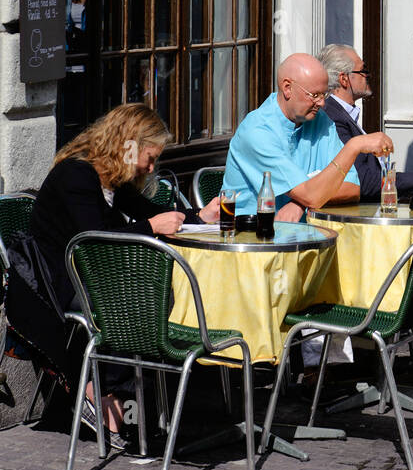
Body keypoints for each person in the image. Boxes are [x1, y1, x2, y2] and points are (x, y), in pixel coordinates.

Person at [5, 104, 214, 443]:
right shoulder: (77, 174)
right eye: (149, 158)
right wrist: (151, 227)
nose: (151, 168)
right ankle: (102, 393)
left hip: (88, 277)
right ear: (128, 144)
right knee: (135, 302)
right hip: (52, 285)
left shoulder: (112, 178)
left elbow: (149, 211)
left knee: (159, 293)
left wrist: (200, 217)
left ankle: (140, 399)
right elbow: (94, 240)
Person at [221, 53, 392, 221]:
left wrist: (300, 203)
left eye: (324, 94)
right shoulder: (258, 131)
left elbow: (352, 188)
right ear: (287, 88)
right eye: (315, 95)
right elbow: (313, 196)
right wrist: (353, 146)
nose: (322, 103)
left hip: (305, 231)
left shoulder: (321, 120)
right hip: (252, 232)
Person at [318, 44, 413, 200]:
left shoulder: (343, 113)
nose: (368, 75)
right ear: (344, 79)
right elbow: (362, 181)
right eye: (363, 71)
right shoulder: (333, 117)